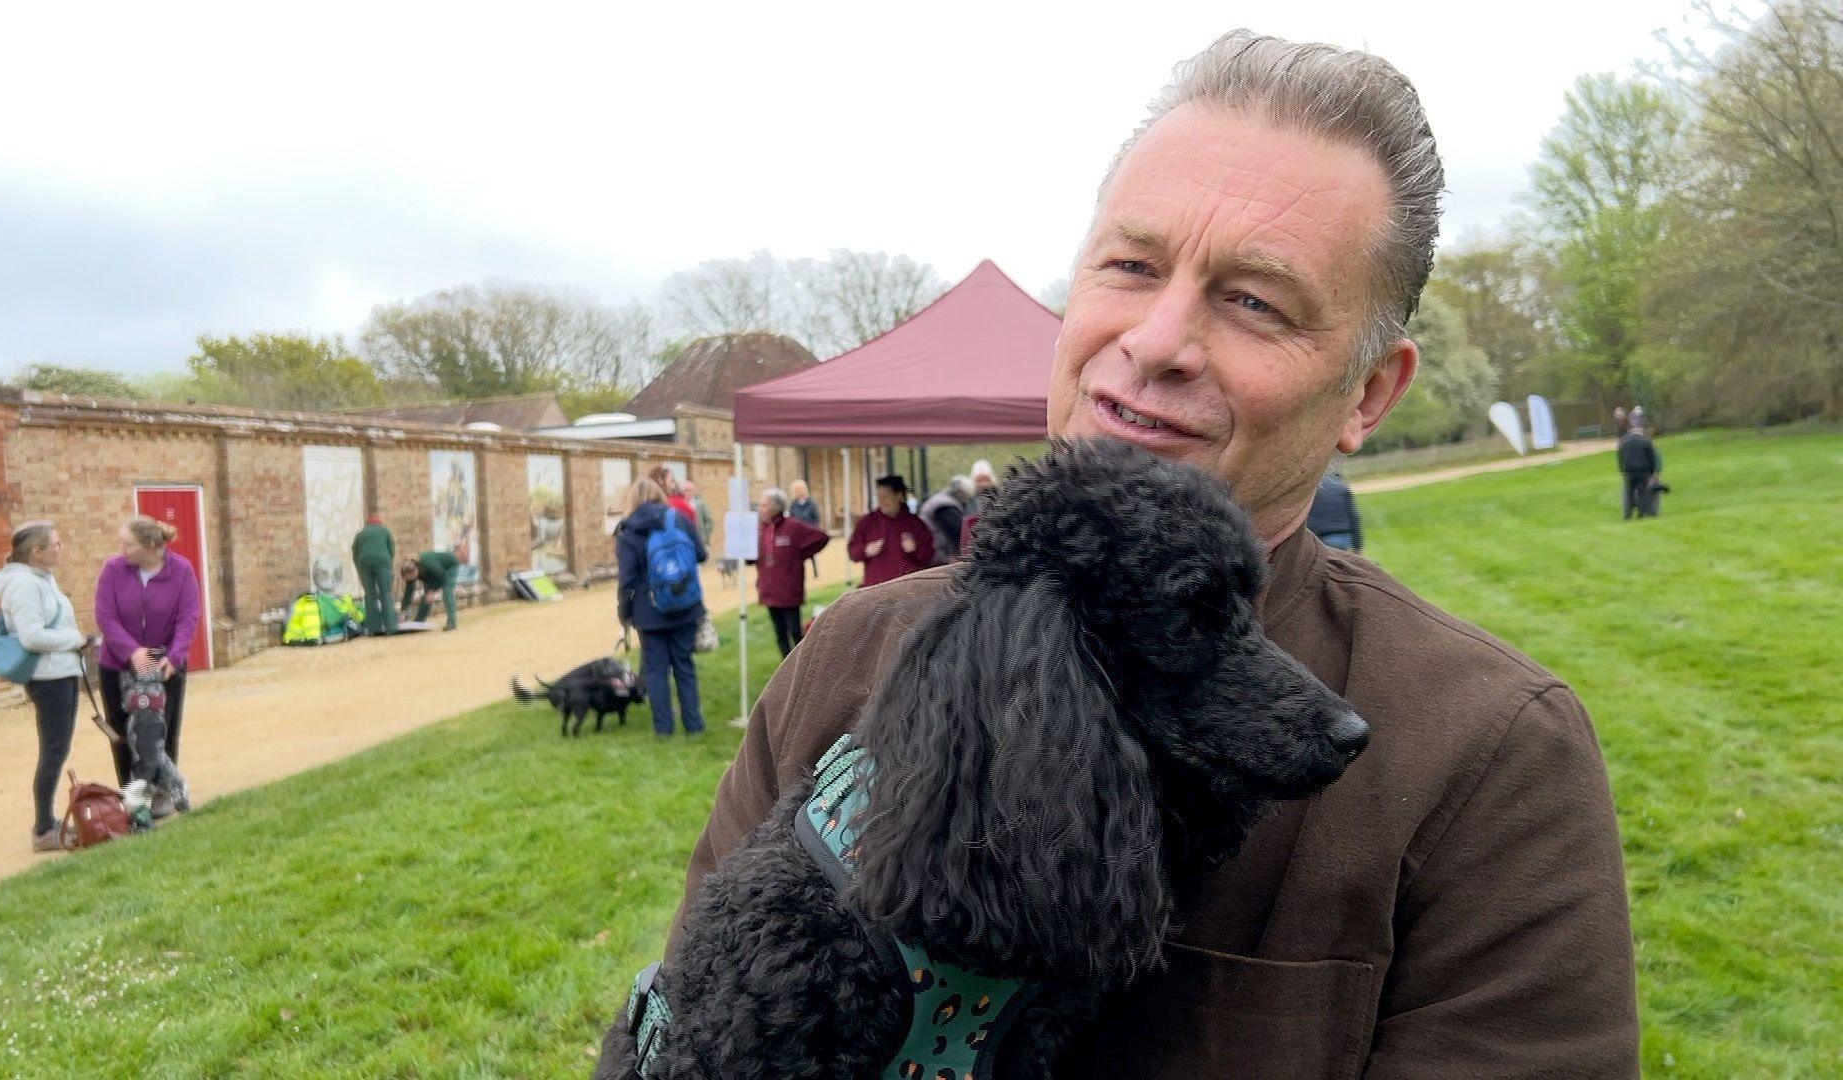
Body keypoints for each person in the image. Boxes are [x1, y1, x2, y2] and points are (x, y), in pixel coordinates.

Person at [661, 32, 1636, 1076]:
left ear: (1368, 394)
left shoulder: (1492, 757)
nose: (1158, 339)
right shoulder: (851, 649)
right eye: (1131, 266)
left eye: (1256, 301)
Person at [0, 521, 95, 851]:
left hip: (61, 672)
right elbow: (32, 636)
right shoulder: (24, 585)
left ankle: (48, 822)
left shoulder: (41, 579)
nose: (61, 548)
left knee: (58, 749)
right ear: (36, 552)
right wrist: (76, 640)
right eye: (56, 544)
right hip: (48, 677)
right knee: (53, 750)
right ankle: (42, 829)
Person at [96, 515, 202, 819]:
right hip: (117, 660)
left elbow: (188, 617)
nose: (122, 549)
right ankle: (134, 797)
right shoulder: (113, 570)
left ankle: (162, 793)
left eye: (128, 544)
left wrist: (176, 655)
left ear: (151, 545)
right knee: (121, 732)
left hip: (163, 659)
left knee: (160, 729)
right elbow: (106, 616)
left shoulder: (181, 570)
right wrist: (132, 651)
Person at [616, 477, 708, 736]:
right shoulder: (678, 518)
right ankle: (694, 725)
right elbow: (701, 554)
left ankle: (664, 728)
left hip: (649, 611)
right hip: (685, 604)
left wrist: (625, 612)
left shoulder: (629, 529)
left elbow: (627, 578)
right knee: (684, 665)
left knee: (655, 670)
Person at [751, 489, 830, 657]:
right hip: (768, 589)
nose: (761, 509)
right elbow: (753, 555)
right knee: (780, 633)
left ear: (775, 507)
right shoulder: (760, 529)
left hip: (788, 589)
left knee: (795, 631)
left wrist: (802, 554)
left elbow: (822, 537)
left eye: (764, 505)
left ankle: (802, 664)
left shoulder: (793, 527)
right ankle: (785, 669)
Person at [845, 475, 934, 587]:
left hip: (909, 589)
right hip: (876, 588)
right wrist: (865, 550)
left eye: (886, 497)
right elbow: (852, 552)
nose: (882, 502)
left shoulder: (915, 523)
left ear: (899, 496)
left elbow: (929, 556)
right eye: (879, 498)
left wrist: (916, 548)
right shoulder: (867, 522)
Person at [351, 514, 398, 636]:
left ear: (367, 524)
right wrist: (388, 564)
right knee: (385, 593)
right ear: (380, 523)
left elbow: (355, 553)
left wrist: (360, 568)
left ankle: (373, 628)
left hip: (364, 563)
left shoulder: (360, 534)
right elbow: (392, 549)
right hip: (383, 562)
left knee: (370, 594)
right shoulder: (385, 531)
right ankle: (390, 627)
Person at [915, 475, 971, 565]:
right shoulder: (946, 506)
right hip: (934, 555)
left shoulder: (940, 500)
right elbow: (959, 531)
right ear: (961, 493)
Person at [399, 551, 461, 630]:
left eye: (411, 578)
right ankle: (419, 622)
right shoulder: (410, 573)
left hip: (449, 566)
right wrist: (403, 611)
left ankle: (452, 623)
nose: (411, 580)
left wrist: (433, 591)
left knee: (447, 591)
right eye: (408, 579)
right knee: (426, 598)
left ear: (415, 571)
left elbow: (442, 578)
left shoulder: (429, 565)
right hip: (432, 575)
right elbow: (408, 593)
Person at [1307, 468, 1364, 552]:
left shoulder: (1314, 489)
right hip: (1344, 536)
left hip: (1321, 537)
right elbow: (1353, 517)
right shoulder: (1343, 488)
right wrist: (1358, 546)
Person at [1618, 416, 1660, 519]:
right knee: (1642, 491)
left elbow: (1620, 457)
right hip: (1643, 471)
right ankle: (1642, 512)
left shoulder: (1624, 441)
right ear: (1640, 429)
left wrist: (1622, 470)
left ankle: (1628, 513)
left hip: (1629, 471)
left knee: (1629, 492)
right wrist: (1653, 471)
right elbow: (1652, 457)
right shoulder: (1645, 441)